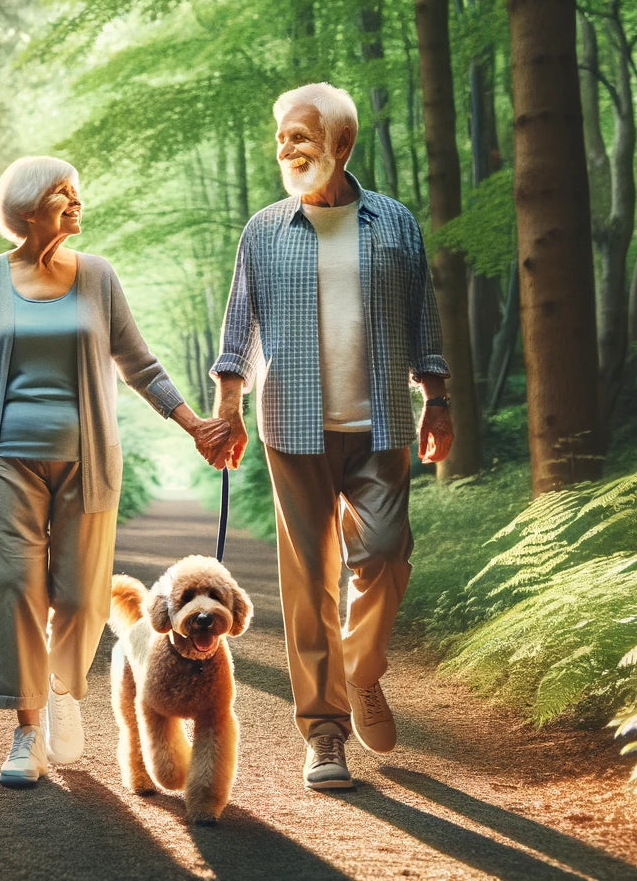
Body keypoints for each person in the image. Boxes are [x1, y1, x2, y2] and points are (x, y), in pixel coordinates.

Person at [0, 155, 230, 788]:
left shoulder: (98, 276)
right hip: (4, 460)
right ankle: (24, 731)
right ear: (28, 206)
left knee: (81, 595)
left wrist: (196, 424)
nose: (75, 201)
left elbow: (141, 365)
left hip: (87, 462)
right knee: (16, 590)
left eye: (76, 191)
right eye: (62, 193)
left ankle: (64, 694)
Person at [204, 83, 455, 791]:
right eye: (281, 137)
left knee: (382, 553)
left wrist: (438, 399)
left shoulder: (396, 224)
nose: (287, 150)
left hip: (382, 421)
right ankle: (323, 732)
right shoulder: (264, 229)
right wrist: (227, 409)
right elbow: (237, 335)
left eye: (301, 137)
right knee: (309, 581)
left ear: (341, 144)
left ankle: (360, 670)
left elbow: (424, 323)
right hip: (292, 424)